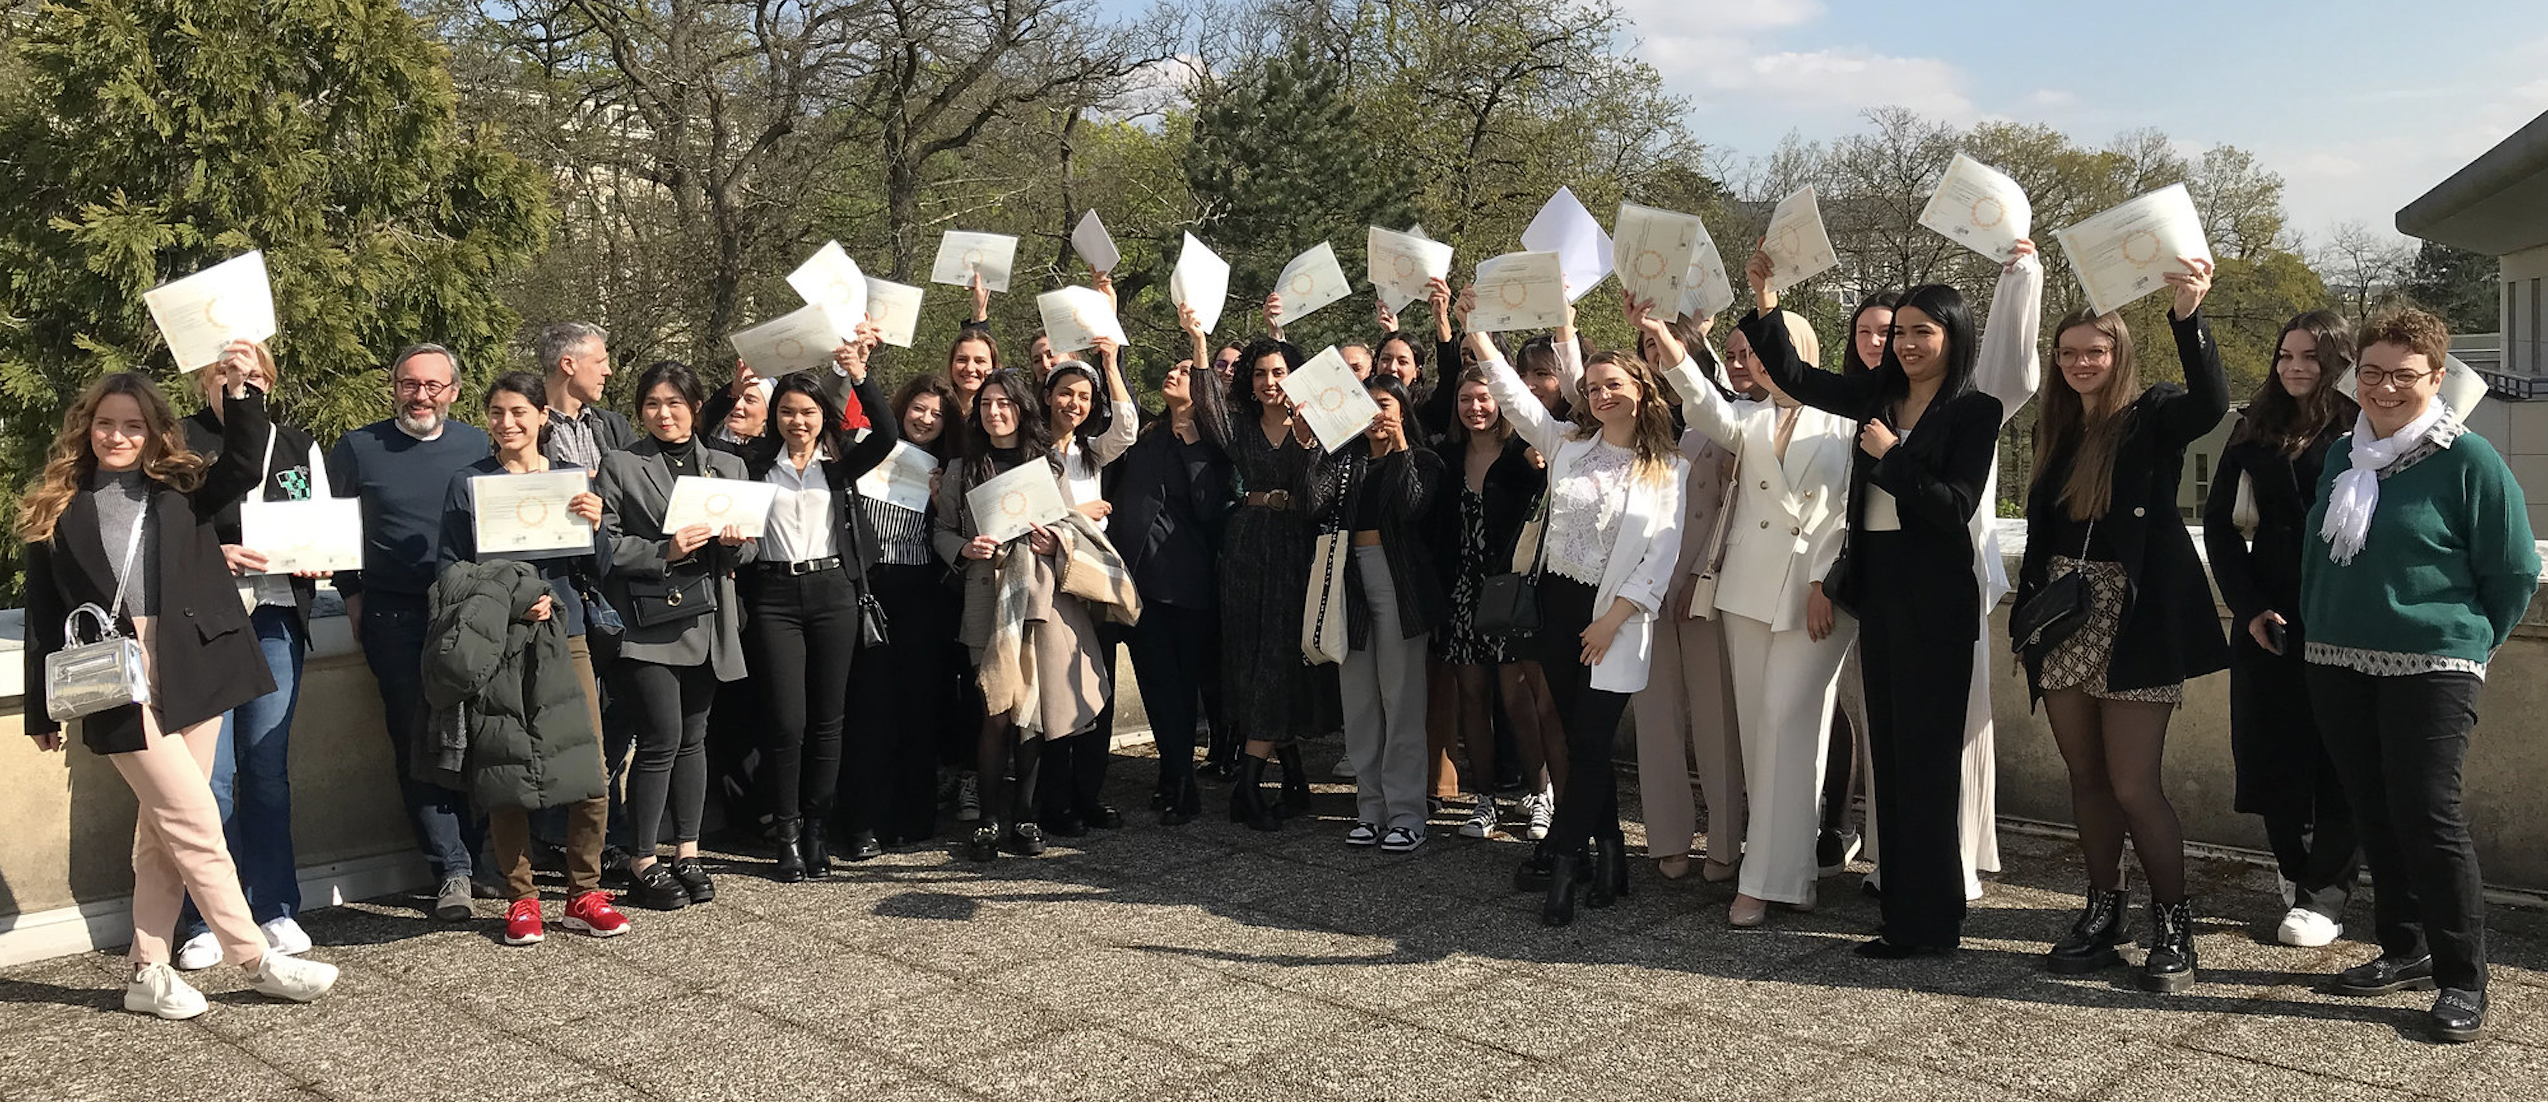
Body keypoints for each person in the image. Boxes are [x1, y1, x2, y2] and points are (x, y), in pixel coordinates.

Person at [20, 359, 339, 1018]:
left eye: (132, 426)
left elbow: (247, 459)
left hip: (196, 662)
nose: (117, 436)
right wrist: (39, 709)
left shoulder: (182, 488)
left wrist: (242, 386)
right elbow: (43, 615)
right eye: (106, 424)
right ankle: (253, 959)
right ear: (86, 428)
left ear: (152, 431)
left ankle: (147, 971)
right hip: (112, 677)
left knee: (162, 833)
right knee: (195, 821)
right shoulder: (57, 504)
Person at [1745, 254, 2005, 958]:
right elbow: (1796, 377)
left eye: (1925, 331)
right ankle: (1904, 911)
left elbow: (1953, 507)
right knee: (1890, 752)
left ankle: (1933, 921)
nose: (1909, 344)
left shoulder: (1976, 411)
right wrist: (1766, 301)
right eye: (1901, 333)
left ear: (1954, 337)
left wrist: (1891, 457)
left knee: (1926, 760)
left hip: (1937, 596)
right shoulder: (1876, 399)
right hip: (1881, 586)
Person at [2301, 307, 2537, 1044]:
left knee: (2429, 815)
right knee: (2373, 810)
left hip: (2434, 665)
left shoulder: (2468, 461)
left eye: (2404, 376)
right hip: (2337, 659)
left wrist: (2466, 644)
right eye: (2371, 373)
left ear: (2437, 379)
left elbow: (2514, 570)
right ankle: (2404, 947)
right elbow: (2320, 557)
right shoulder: (2344, 456)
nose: (2385, 388)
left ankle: (2463, 977)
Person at [2015, 260, 2229, 992]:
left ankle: (2175, 923)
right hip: (2065, 615)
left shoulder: (2152, 415)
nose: (2081, 364)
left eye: (2094, 352)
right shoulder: (2055, 430)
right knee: (2086, 778)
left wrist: (2188, 315)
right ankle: (2103, 909)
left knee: (2136, 785)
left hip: (2134, 620)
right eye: (2069, 353)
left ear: (2118, 356)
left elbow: (2211, 403)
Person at [1462, 288, 1689, 928]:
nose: (1599, 395)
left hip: (1613, 617)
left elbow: (1661, 556)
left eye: (1612, 384)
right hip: (1557, 609)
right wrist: (1478, 334)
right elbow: (1511, 395)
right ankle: (1612, 853)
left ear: (1641, 390)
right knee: (1583, 745)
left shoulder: (1665, 466)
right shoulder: (1567, 445)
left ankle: (1564, 860)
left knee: (1590, 740)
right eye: (1590, 387)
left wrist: (1613, 619)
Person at [1645, 299, 1857, 927]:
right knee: (1762, 734)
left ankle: (1760, 881)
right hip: (1747, 591)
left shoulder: (1846, 417)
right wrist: (1663, 337)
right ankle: (1791, 874)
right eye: (1746, 355)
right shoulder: (1750, 418)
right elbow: (1702, 405)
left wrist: (1824, 581)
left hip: (1818, 595)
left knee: (1787, 723)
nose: (1754, 365)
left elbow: (1846, 511)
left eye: (1766, 353)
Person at [436, 372, 631, 945]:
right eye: (496, 412)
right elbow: (451, 569)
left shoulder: (571, 481)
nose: (507, 423)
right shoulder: (468, 484)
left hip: (566, 635)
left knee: (588, 764)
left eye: (519, 411)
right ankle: (521, 899)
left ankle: (584, 891)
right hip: (502, 639)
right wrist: (518, 601)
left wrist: (596, 525)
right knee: (507, 768)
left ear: (543, 416)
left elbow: (597, 567)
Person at [2203, 311, 2362, 949]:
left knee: (2338, 757)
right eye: (2285, 355)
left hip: (2344, 613)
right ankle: (2297, 874)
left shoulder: (2363, 430)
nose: (2294, 368)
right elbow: (2218, 525)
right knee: (2270, 750)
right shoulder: (2254, 427)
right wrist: (2247, 608)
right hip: (2269, 614)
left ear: (2338, 363)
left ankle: (2326, 895)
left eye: (2311, 358)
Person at [934, 370, 1135, 860]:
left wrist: (1055, 541)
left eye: (1004, 403)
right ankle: (987, 819)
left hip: (1038, 598)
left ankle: (1023, 816)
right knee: (995, 713)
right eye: (986, 404)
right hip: (986, 598)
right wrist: (965, 547)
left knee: (1032, 717)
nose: (995, 411)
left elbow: (1070, 527)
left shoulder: (1049, 465)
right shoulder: (962, 469)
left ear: (1022, 409)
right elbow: (939, 530)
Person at [170, 340, 323, 970]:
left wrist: (320, 556)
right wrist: (215, 555)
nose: (241, 382)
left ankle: (275, 907)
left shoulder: (297, 443)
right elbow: (170, 532)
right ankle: (206, 917)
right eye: (228, 374)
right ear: (206, 381)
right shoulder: (176, 441)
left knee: (266, 769)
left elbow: (318, 521)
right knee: (211, 779)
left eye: (254, 373)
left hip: (277, 618)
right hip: (205, 623)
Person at [329, 343, 495, 920]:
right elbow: (334, 528)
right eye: (408, 383)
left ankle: (483, 859)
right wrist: (351, 593)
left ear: (453, 390)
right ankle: (450, 868)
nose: (420, 395)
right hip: (393, 614)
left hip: (469, 612)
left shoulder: (480, 444)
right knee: (416, 740)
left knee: (478, 736)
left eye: (433, 385)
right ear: (393, 386)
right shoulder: (357, 447)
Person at [732, 332, 897, 878]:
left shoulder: (839, 463)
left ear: (822, 417)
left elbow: (889, 433)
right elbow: (710, 437)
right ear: (773, 417)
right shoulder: (756, 464)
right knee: (787, 722)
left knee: (829, 720)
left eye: (806, 413)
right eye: (786, 412)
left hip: (834, 593)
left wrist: (859, 374)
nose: (796, 422)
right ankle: (786, 833)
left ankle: (818, 828)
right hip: (775, 595)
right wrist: (730, 391)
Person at [596, 361, 758, 909]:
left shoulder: (727, 464)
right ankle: (642, 859)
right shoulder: (620, 464)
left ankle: (687, 852)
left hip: (708, 618)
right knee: (660, 737)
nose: (664, 414)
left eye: (675, 403)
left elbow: (752, 548)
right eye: (652, 405)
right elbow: (604, 548)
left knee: (694, 737)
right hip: (648, 624)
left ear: (693, 407)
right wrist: (663, 549)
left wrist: (736, 542)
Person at [1191, 335, 1341, 829]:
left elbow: (1317, 496)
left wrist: (1304, 443)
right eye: (1260, 374)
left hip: (1296, 548)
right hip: (1248, 548)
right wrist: (1198, 341)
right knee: (1255, 658)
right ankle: (1269, 784)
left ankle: (1260, 782)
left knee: (1282, 658)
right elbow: (1206, 400)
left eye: (1279, 373)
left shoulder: (1317, 427)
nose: (1270, 382)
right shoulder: (1240, 427)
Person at [1628, 314, 1748, 886]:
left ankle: (1726, 841)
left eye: (1665, 343)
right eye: (1646, 345)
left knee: (1716, 719)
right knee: (1655, 719)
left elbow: (1732, 512)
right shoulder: (1634, 425)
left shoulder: (1722, 418)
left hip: (1707, 589)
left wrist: (1699, 577)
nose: (1655, 354)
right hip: (1644, 594)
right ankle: (1668, 837)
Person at [1310, 373, 1444, 851]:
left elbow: (1412, 508)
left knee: (1401, 699)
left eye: (1385, 403)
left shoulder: (1424, 461)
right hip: (1349, 579)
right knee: (1360, 701)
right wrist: (1322, 440)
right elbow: (1313, 501)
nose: (1376, 413)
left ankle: (1408, 812)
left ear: (1403, 408)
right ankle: (1370, 807)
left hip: (1399, 581)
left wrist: (1402, 443)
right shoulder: (1347, 463)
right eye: (1366, 404)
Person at [1423, 364, 1551, 841]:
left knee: (1518, 698)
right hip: (1459, 594)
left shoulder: (1523, 456)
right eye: (1466, 399)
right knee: (1472, 699)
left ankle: (1539, 793)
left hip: (1509, 592)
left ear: (1500, 402)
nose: (1475, 407)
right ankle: (1485, 799)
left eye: (1484, 397)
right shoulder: (1447, 458)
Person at [845, 375, 970, 846]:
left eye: (937, 414)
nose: (926, 419)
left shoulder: (948, 466)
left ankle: (913, 818)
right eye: (919, 408)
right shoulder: (867, 447)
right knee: (868, 706)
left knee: (917, 707)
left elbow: (953, 534)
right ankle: (862, 819)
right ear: (901, 408)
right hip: (867, 586)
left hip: (920, 591)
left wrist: (941, 503)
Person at [535, 322, 640, 878]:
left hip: (611, 588)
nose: (608, 370)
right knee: (567, 721)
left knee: (617, 718)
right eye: (600, 360)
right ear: (568, 365)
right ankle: (558, 837)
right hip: (557, 592)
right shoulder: (527, 422)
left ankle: (608, 837)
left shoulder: (613, 426)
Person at [1133, 314, 1238, 823]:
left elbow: (1207, 507)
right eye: (1173, 369)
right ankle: (1174, 776)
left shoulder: (1214, 444)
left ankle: (1181, 782)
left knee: (1182, 686)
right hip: (1139, 581)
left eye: (1185, 370)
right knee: (1156, 686)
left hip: (1189, 585)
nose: (1173, 374)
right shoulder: (1148, 433)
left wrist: (1193, 441)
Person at [1036, 327, 1140, 836]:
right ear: (1048, 397)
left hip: (1093, 581)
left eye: (1083, 396)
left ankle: (1089, 794)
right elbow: (1026, 514)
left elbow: (1126, 428)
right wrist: (1078, 512)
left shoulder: (1091, 452)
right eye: (1065, 393)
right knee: (1056, 693)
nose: (1073, 404)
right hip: (1051, 581)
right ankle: (1054, 803)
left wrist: (1111, 362)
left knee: (1094, 686)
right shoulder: (1034, 452)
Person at [1818, 289, 1898, 873]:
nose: (1878, 342)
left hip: (1892, 579)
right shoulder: (1834, 404)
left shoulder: (1921, 403)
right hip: (1830, 576)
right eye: (1866, 331)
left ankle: (1881, 842)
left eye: (1890, 331)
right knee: (1833, 705)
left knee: (1883, 715)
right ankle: (1835, 820)